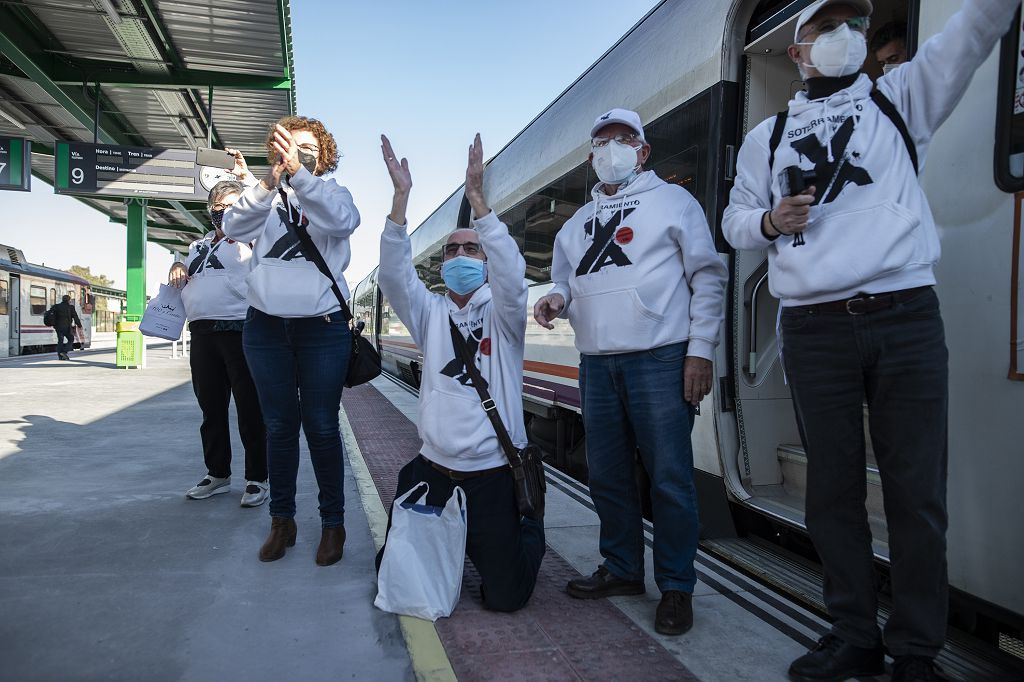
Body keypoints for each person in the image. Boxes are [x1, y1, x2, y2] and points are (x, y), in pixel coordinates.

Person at [721, 1, 1020, 680]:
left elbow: (975, 30)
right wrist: (769, 220)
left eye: (850, 25)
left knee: (916, 492)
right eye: (824, 29)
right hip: (812, 328)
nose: (843, 37)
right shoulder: (766, 138)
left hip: (904, 314)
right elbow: (734, 221)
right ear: (797, 54)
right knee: (831, 491)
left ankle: (916, 650)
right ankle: (852, 632)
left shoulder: (900, 98)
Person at [533, 108, 728, 635]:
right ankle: (622, 568)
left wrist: (701, 349)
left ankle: (676, 587)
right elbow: (566, 283)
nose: (610, 149)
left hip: (660, 358)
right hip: (597, 362)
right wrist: (555, 299)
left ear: (643, 152)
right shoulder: (575, 225)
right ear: (592, 156)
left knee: (669, 477)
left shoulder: (673, 202)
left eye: (622, 140)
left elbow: (708, 276)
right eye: (600, 142)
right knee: (608, 475)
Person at [376, 133, 544, 612]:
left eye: (471, 249)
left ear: (486, 262)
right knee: (391, 577)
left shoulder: (505, 316)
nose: (459, 256)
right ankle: (459, 540)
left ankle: (528, 524)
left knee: (505, 598)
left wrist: (478, 203)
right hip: (433, 469)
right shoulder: (430, 312)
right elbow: (392, 275)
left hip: (492, 475)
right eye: (450, 251)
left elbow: (513, 273)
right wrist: (400, 200)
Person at [222, 116, 360, 566]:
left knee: (321, 426)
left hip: (321, 327)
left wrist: (300, 177)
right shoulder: (263, 195)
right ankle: (282, 521)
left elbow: (341, 222)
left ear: (322, 157)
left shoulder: (332, 193)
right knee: (279, 427)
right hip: (265, 327)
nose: (297, 154)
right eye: (289, 147)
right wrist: (267, 181)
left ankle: (333, 524)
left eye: (307, 148)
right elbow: (235, 228)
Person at [170, 177, 268, 508]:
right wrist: (177, 265)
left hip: (242, 330)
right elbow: (187, 271)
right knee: (210, 408)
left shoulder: (255, 240)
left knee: (249, 408)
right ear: (210, 210)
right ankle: (218, 474)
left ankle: (257, 478)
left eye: (232, 206)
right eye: (218, 207)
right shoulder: (197, 246)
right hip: (202, 333)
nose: (224, 213)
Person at [48, 294, 81, 361]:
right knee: (71, 339)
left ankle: (60, 357)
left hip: (57, 327)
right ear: (69, 300)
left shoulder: (57, 306)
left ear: (63, 300)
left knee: (60, 341)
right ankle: (64, 352)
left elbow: (50, 314)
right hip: (66, 327)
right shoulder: (71, 307)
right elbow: (75, 317)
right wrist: (79, 325)